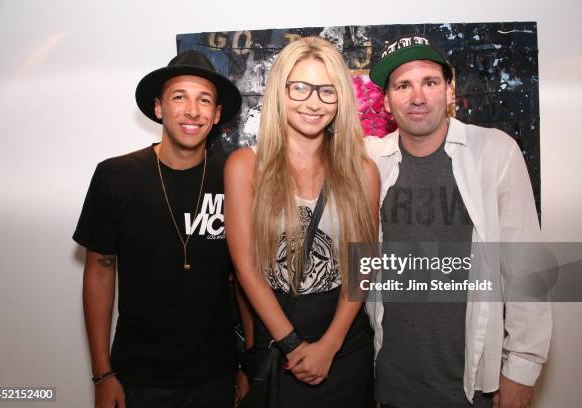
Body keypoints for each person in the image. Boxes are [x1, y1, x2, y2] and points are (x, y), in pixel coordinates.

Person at [365, 35, 552, 408]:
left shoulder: (494, 151)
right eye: (403, 85)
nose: (417, 97)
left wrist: (522, 368)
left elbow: (524, 265)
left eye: (430, 83)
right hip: (389, 382)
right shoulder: (370, 159)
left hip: (471, 386)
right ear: (386, 101)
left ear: (449, 91)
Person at [73, 50, 242, 408]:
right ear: (159, 107)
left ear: (216, 114)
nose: (192, 110)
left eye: (204, 100)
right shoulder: (115, 177)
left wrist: (249, 361)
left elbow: (247, 274)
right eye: (179, 97)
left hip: (216, 373)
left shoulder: (234, 177)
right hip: (138, 375)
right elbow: (100, 273)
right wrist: (103, 374)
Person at [224, 36, 379, 407]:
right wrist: (292, 344)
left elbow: (364, 263)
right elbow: (245, 267)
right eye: (300, 88)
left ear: (341, 98)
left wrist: (331, 344)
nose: (314, 102)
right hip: (277, 338)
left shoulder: (364, 171)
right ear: (280, 91)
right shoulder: (245, 166)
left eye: (327, 91)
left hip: (345, 342)